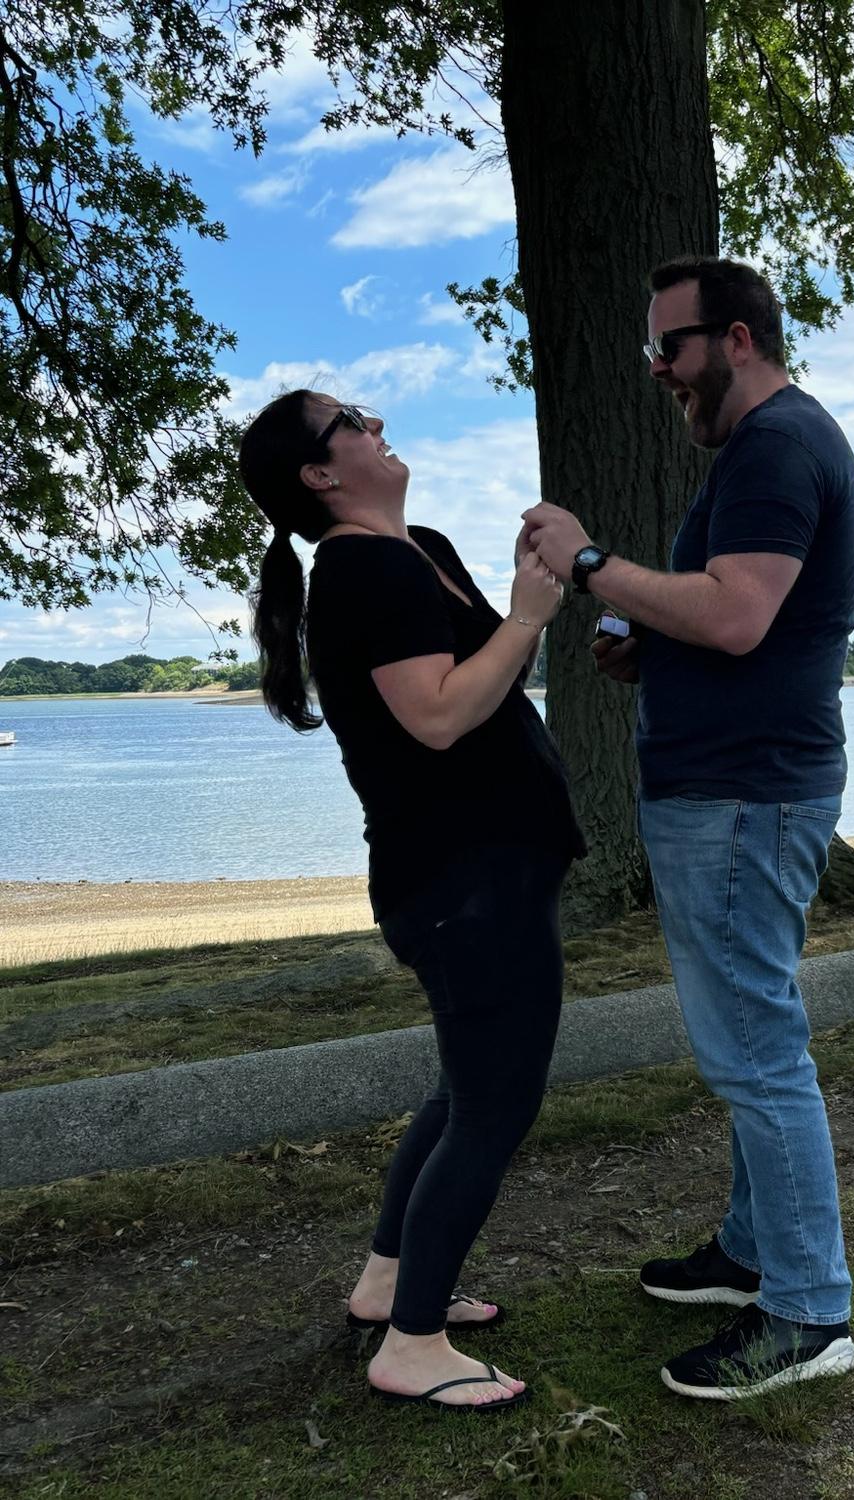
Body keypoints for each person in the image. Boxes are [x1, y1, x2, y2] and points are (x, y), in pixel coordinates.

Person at [520, 255, 854, 1400]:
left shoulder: (776, 446)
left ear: (738, 340)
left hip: (741, 800)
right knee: (752, 1038)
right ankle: (753, 1251)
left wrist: (587, 563)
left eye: (668, 347)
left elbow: (736, 614)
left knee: (756, 1053)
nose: (657, 370)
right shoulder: (771, 448)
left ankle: (808, 1312)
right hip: (742, 792)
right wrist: (652, 643)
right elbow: (728, 621)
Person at [239, 389, 586, 1412]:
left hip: (494, 869)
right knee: (494, 1105)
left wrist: (526, 604)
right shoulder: (363, 570)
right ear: (320, 473)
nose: (375, 422)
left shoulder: (418, 547)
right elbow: (436, 717)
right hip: (461, 881)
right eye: (350, 420)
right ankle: (413, 1345)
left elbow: (485, 680)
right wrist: (526, 618)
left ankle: (390, 1284)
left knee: (462, 1091)